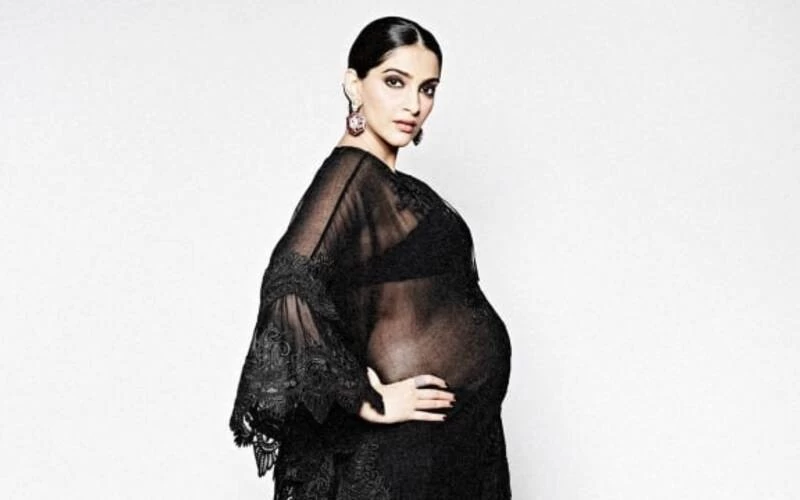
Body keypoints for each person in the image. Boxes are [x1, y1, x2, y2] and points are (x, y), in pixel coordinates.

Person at [229, 16, 512, 499]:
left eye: (427, 89)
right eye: (395, 82)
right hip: (401, 459)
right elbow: (289, 284)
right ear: (353, 84)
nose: (414, 104)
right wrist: (367, 399)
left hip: (451, 448)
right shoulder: (351, 175)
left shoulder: (389, 184)